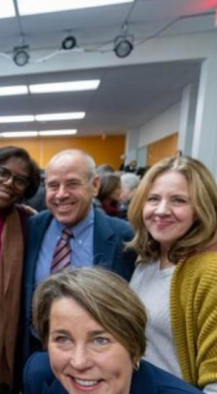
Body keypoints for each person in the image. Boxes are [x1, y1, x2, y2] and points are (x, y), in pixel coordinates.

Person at [126, 156, 217, 392]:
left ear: (201, 209)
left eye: (178, 200)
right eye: (153, 199)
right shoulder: (149, 259)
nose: (162, 210)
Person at [22, 150, 136, 371]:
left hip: (96, 363)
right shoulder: (30, 228)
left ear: (94, 185)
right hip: (37, 356)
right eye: (53, 186)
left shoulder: (124, 237)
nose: (61, 194)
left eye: (72, 184)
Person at [23, 268, 202, 394]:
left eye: (100, 340)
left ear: (135, 349)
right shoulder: (39, 376)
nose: (79, 362)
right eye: (63, 339)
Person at [0, 146, 41, 393]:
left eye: (20, 180)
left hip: (9, 341)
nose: (9, 183)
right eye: (2, 172)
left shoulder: (30, 224)